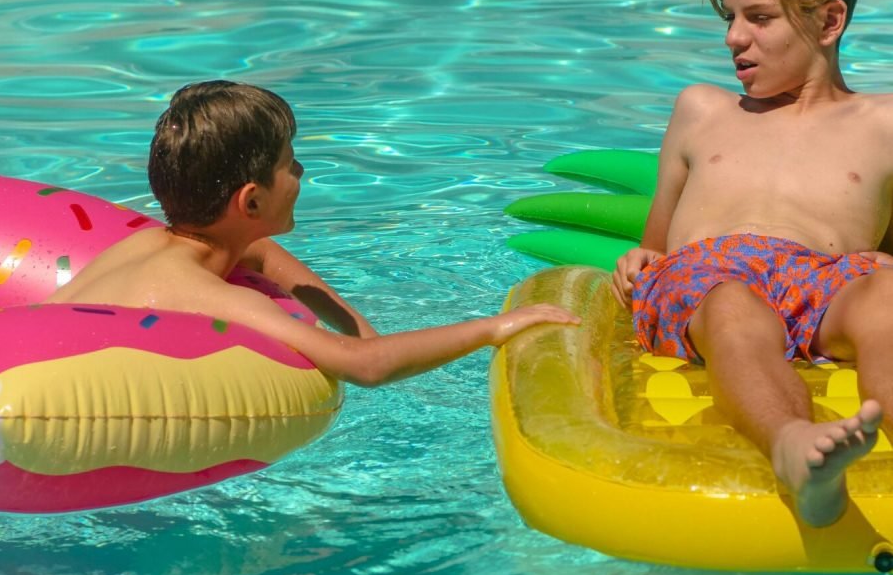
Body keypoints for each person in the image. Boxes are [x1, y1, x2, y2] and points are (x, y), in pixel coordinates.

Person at [610, 0, 893, 529]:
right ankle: (793, 445)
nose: (734, 38)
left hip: (822, 279)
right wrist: (638, 262)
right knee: (733, 301)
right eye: (731, 18)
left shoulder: (884, 124)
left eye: (759, 18)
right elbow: (654, 246)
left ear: (828, 20)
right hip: (709, 279)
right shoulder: (703, 111)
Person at [47, 80, 577, 386]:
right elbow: (364, 367)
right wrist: (495, 326)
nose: (301, 175)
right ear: (251, 200)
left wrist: (356, 323)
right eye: (290, 165)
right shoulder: (207, 295)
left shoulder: (147, 245)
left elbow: (256, 250)